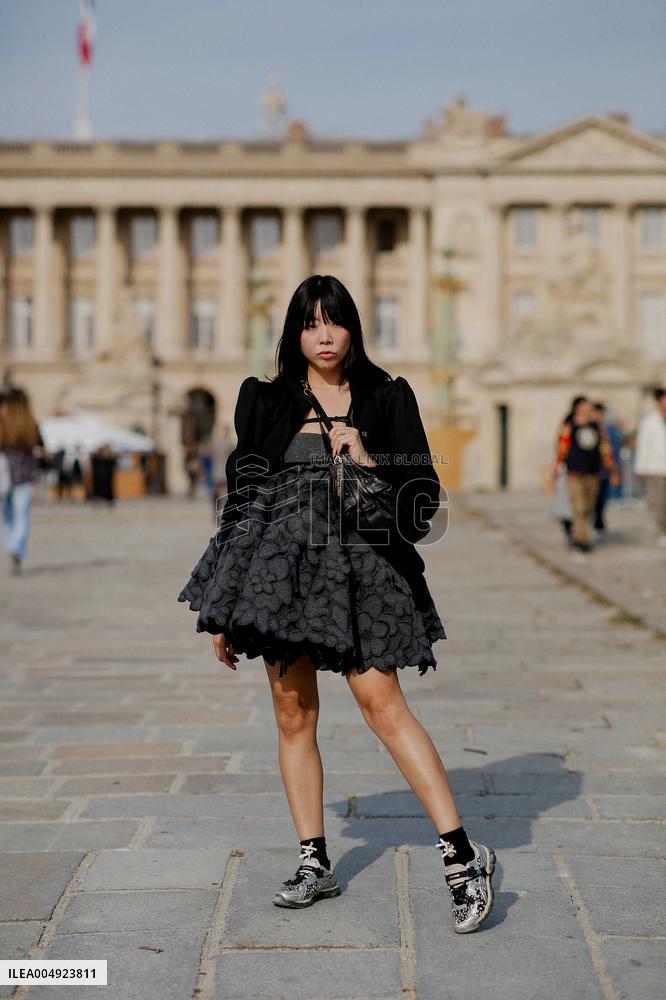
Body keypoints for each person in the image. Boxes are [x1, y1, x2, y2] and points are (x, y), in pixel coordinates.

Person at [178, 275, 496, 934]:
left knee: (385, 707)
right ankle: (313, 860)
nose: (323, 335)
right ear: (294, 333)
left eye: (336, 321)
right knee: (293, 715)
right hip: (278, 580)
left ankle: (464, 857)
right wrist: (227, 602)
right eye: (310, 323)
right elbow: (243, 496)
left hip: (361, 575)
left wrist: (371, 461)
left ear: (353, 328)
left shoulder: (387, 396)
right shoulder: (263, 400)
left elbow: (423, 497)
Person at [550, 396, 620, 553]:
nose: (588, 408)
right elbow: (561, 450)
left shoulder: (596, 427)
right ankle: (582, 540)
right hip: (574, 474)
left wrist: (613, 470)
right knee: (579, 507)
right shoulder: (569, 427)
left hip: (593, 473)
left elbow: (605, 449)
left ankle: (576, 534)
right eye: (585, 406)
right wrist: (555, 472)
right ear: (577, 408)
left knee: (588, 508)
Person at [0, 387, 46, 574]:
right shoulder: (30, 425)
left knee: (8, 516)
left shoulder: (2, 425)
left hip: (4, 476)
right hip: (24, 476)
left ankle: (13, 546)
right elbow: (40, 448)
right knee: (22, 515)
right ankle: (17, 548)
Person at [634, 387, 666, 546]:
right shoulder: (650, 421)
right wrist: (641, 468)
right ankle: (662, 530)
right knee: (659, 501)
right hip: (656, 468)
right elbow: (643, 446)